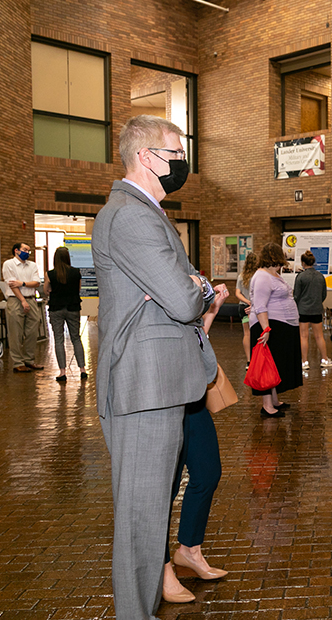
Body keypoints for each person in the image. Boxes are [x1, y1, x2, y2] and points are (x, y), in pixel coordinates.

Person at [93, 114, 226, 620]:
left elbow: (184, 286)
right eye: (176, 152)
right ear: (147, 157)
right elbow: (184, 296)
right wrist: (192, 287)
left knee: (149, 519)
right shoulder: (130, 215)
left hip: (162, 385)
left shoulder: (146, 213)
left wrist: (189, 285)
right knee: (141, 522)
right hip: (143, 388)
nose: (182, 162)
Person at [162, 286, 229, 604]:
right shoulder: (157, 286)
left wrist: (212, 310)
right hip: (167, 400)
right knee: (166, 487)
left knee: (207, 472)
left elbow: (194, 336)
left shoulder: (182, 287)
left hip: (194, 396)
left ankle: (189, 549)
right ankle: (160, 567)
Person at [249, 242, 303, 418]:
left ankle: (274, 400)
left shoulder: (273, 275)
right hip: (270, 325)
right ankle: (267, 406)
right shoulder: (263, 276)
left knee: (276, 364)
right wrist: (266, 329)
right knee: (267, 365)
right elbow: (260, 305)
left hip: (281, 325)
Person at [45, 246, 86, 382]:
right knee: (76, 338)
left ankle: (62, 372)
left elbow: (47, 290)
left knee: (59, 339)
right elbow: (78, 289)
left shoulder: (50, 274)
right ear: (68, 258)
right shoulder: (76, 272)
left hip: (56, 308)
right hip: (73, 307)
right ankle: (82, 369)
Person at [2, 241, 44, 372]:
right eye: (25, 249)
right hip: (15, 300)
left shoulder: (32, 265)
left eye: (29, 250)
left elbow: (36, 283)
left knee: (33, 330)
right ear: (16, 250)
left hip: (31, 299)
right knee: (16, 332)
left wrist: (23, 283)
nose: (27, 252)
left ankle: (29, 360)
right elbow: (13, 285)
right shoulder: (9, 264)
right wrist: (22, 300)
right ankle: (17, 362)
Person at [293, 250, 332, 369]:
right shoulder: (320, 276)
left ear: (303, 263)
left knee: (303, 336)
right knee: (319, 336)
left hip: (303, 310)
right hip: (316, 309)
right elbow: (324, 294)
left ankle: (304, 362)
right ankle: (324, 360)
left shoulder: (300, 277)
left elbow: (296, 295)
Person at [235, 253, 259, 368]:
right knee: (257, 333)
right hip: (255, 308)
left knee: (247, 333)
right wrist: (252, 303)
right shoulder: (258, 276)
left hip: (243, 308)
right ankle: (257, 359)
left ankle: (249, 361)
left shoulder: (241, 276)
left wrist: (247, 302)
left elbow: (237, 293)